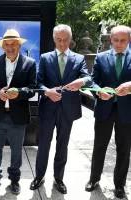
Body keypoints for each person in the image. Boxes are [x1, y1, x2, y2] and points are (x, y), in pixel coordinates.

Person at [30, 24, 91, 194]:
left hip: (68, 110)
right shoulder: (45, 58)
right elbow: (38, 82)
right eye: (59, 40)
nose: (62, 43)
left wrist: (82, 81)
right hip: (48, 108)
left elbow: (88, 77)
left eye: (65, 40)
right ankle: (39, 176)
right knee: (43, 145)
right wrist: (47, 92)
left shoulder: (79, 59)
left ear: (70, 39)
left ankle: (59, 178)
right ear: (54, 39)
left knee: (62, 145)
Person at [0, 29, 37, 195]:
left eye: (13, 43)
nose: (10, 47)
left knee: (16, 150)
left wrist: (19, 92)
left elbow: (32, 89)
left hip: (17, 116)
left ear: (19, 45)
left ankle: (14, 179)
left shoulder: (30, 63)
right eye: (7, 44)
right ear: (3, 46)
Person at [85, 25, 131, 199]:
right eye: (116, 40)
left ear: (129, 40)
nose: (119, 44)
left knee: (124, 149)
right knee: (99, 147)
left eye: (123, 40)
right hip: (105, 109)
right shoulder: (101, 58)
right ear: (111, 39)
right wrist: (98, 91)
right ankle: (94, 179)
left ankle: (119, 185)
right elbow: (92, 80)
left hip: (127, 111)